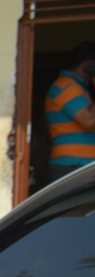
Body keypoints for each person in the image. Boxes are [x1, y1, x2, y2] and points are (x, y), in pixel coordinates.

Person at [45, 41, 95, 181]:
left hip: (80, 165)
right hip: (73, 166)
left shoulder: (80, 88)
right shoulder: (67, 86)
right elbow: (89, 120)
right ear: (87, 66)